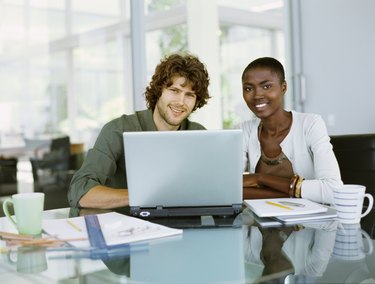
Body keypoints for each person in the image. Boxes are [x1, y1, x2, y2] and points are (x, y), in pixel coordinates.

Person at [68, 53, 211, 209]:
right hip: (125, 226)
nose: (181, 102)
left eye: (189, 95)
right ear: (159, 91)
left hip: (183, 225)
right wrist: (145, 196)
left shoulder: (199, 135)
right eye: (174, 90)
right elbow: (80, 191)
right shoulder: (118, 130)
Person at [241, 57, 342, 204]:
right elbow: (230, 189)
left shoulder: (311, 124)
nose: (257, 95)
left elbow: (333, 190)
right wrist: (295, 192)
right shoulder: (245, 130)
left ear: (283, 87)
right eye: (248, 88)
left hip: (308, 224)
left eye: (266, 86)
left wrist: (259, 178)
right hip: (260, 223)